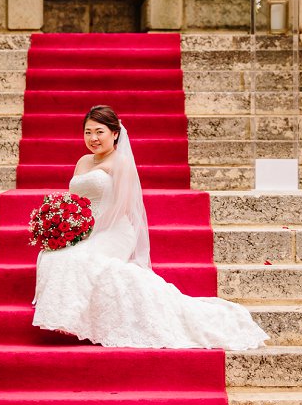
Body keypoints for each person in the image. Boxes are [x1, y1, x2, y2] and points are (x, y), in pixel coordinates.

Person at [33, 104, 268, 350]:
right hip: (85, 228)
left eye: (99, 131)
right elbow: (74, 200)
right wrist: (62, 224)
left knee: (78, 258)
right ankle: (65, 318)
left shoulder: (120, 162)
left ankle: (71, 318)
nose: (93, 138)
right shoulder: (82, 161)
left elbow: (121, 207)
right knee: (53, 255)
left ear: (115, 133)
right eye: (88, 132)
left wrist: (86, 231)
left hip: (113, 229)